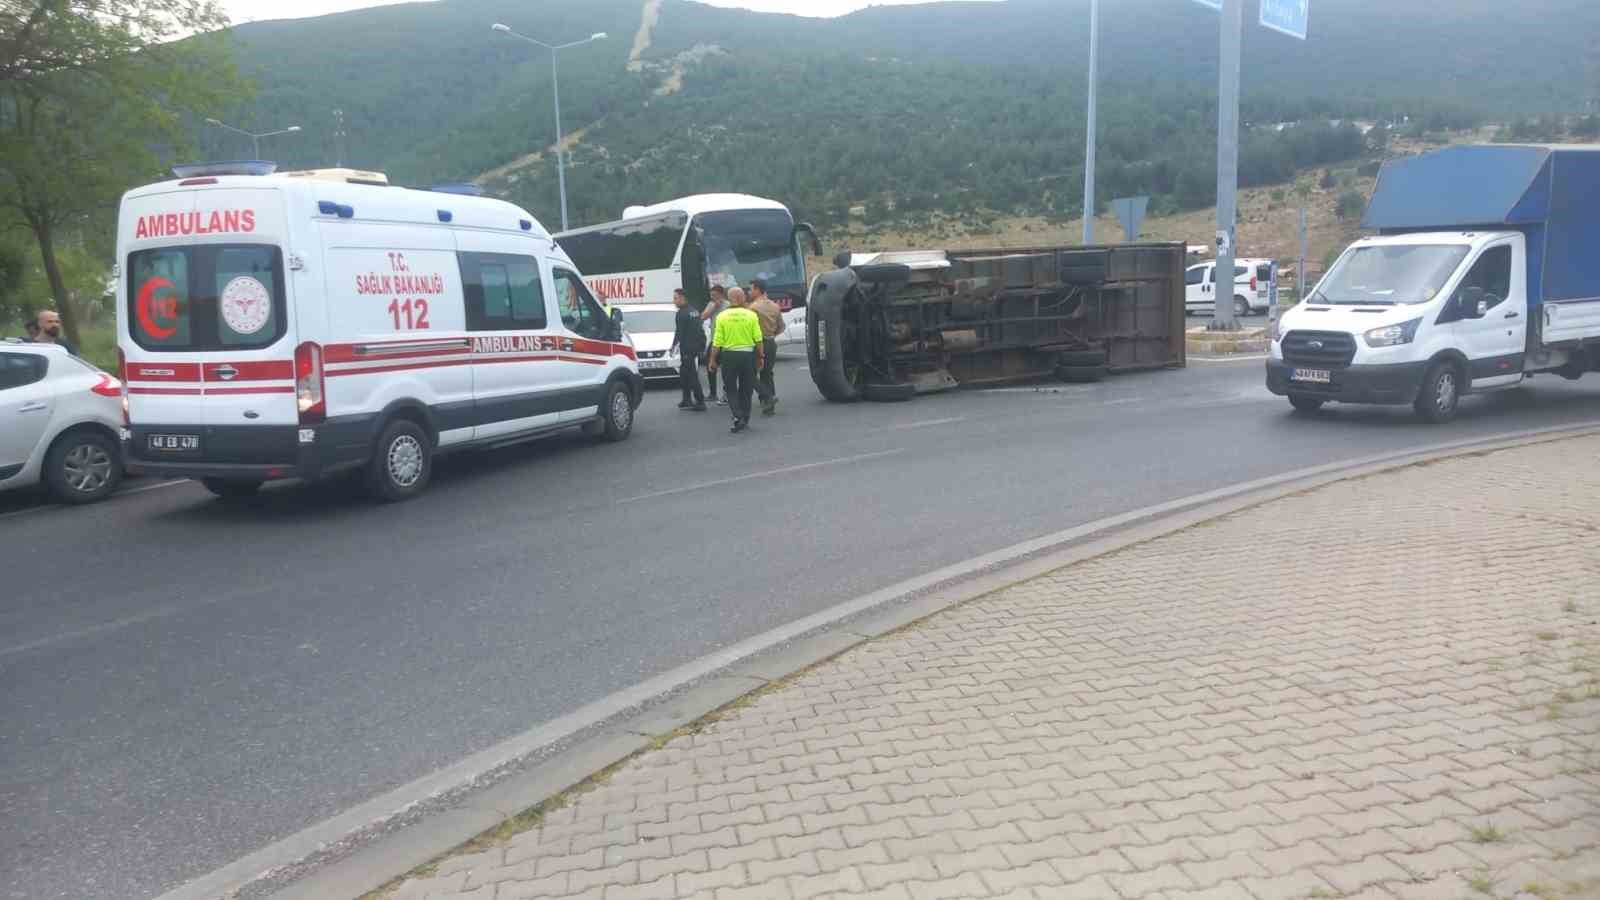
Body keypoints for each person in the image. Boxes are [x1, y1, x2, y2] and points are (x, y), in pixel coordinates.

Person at [706, 287, 764, 433]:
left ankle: (737, 416)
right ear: (741, 298)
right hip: (747, 355)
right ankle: (745, 416)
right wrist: (761, 357)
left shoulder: (722, 316)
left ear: (730, 298)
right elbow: (758, 339)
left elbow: (717, 341)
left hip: (729, 356)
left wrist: (712, 359)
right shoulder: (751, 315)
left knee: (731, 388)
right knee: (747, 388)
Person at [747, 278, 786, 416]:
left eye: (750, 289)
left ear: (757, 290)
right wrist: (772, 335)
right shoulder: (775, 306)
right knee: (767, 373)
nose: (749, 291)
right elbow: (782, 327)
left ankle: (767, 397)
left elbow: (749, 328)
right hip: (771, 342)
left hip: (758, 343)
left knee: (749, 373)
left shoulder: (752, 308)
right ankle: (769, 404)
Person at [670, 288, 707, 411]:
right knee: (684, 373)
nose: (674, 301)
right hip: (695, 346)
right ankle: (686, 400)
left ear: (682, 298)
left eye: (675, 298)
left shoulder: (682, 313)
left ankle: (700, 401)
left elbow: (679, 332)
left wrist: (673, 346)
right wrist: (702, 345)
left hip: (687, 348)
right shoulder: (694, 311)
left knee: (691, 375)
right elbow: (700, 330)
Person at [700, 285, 732, 405]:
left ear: (721, 294)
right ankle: (713, 393)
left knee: (726, 369)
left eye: (714, 295)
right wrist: (713, 307)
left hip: (726, 341)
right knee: (710, 366)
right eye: (711, 295)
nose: (712, 297)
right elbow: (703, 317)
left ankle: (727, 392)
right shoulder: (711, 304)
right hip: (714, 340)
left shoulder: (728, 305)